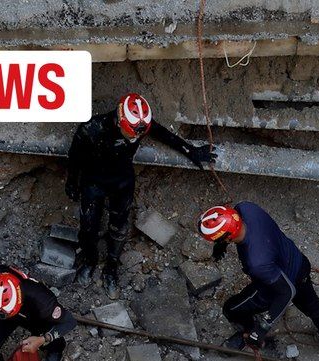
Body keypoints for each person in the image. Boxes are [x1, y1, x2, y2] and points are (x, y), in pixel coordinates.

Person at [66, 92, 216, 298]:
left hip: (122, 181)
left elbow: (163, 134)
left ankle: (111, 270)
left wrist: (191, 151)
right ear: (120, 121)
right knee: (88, 226)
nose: (135, 138)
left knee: (119, 227)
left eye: (138, 135)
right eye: (132, 135)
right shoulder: (92, 129)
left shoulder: (139, 125)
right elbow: (74, 157)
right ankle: (89, 261)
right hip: (94, 181)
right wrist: (72, 182)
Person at [196, 203, 319, 355]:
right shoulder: (246, 208)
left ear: (227, 238)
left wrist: (262, 327)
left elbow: (287, 292)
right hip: (298, 263)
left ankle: (251, 335)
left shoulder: (256, 261)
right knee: (314, 306)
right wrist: (222, 244)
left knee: (231, 309)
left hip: (277, 285)